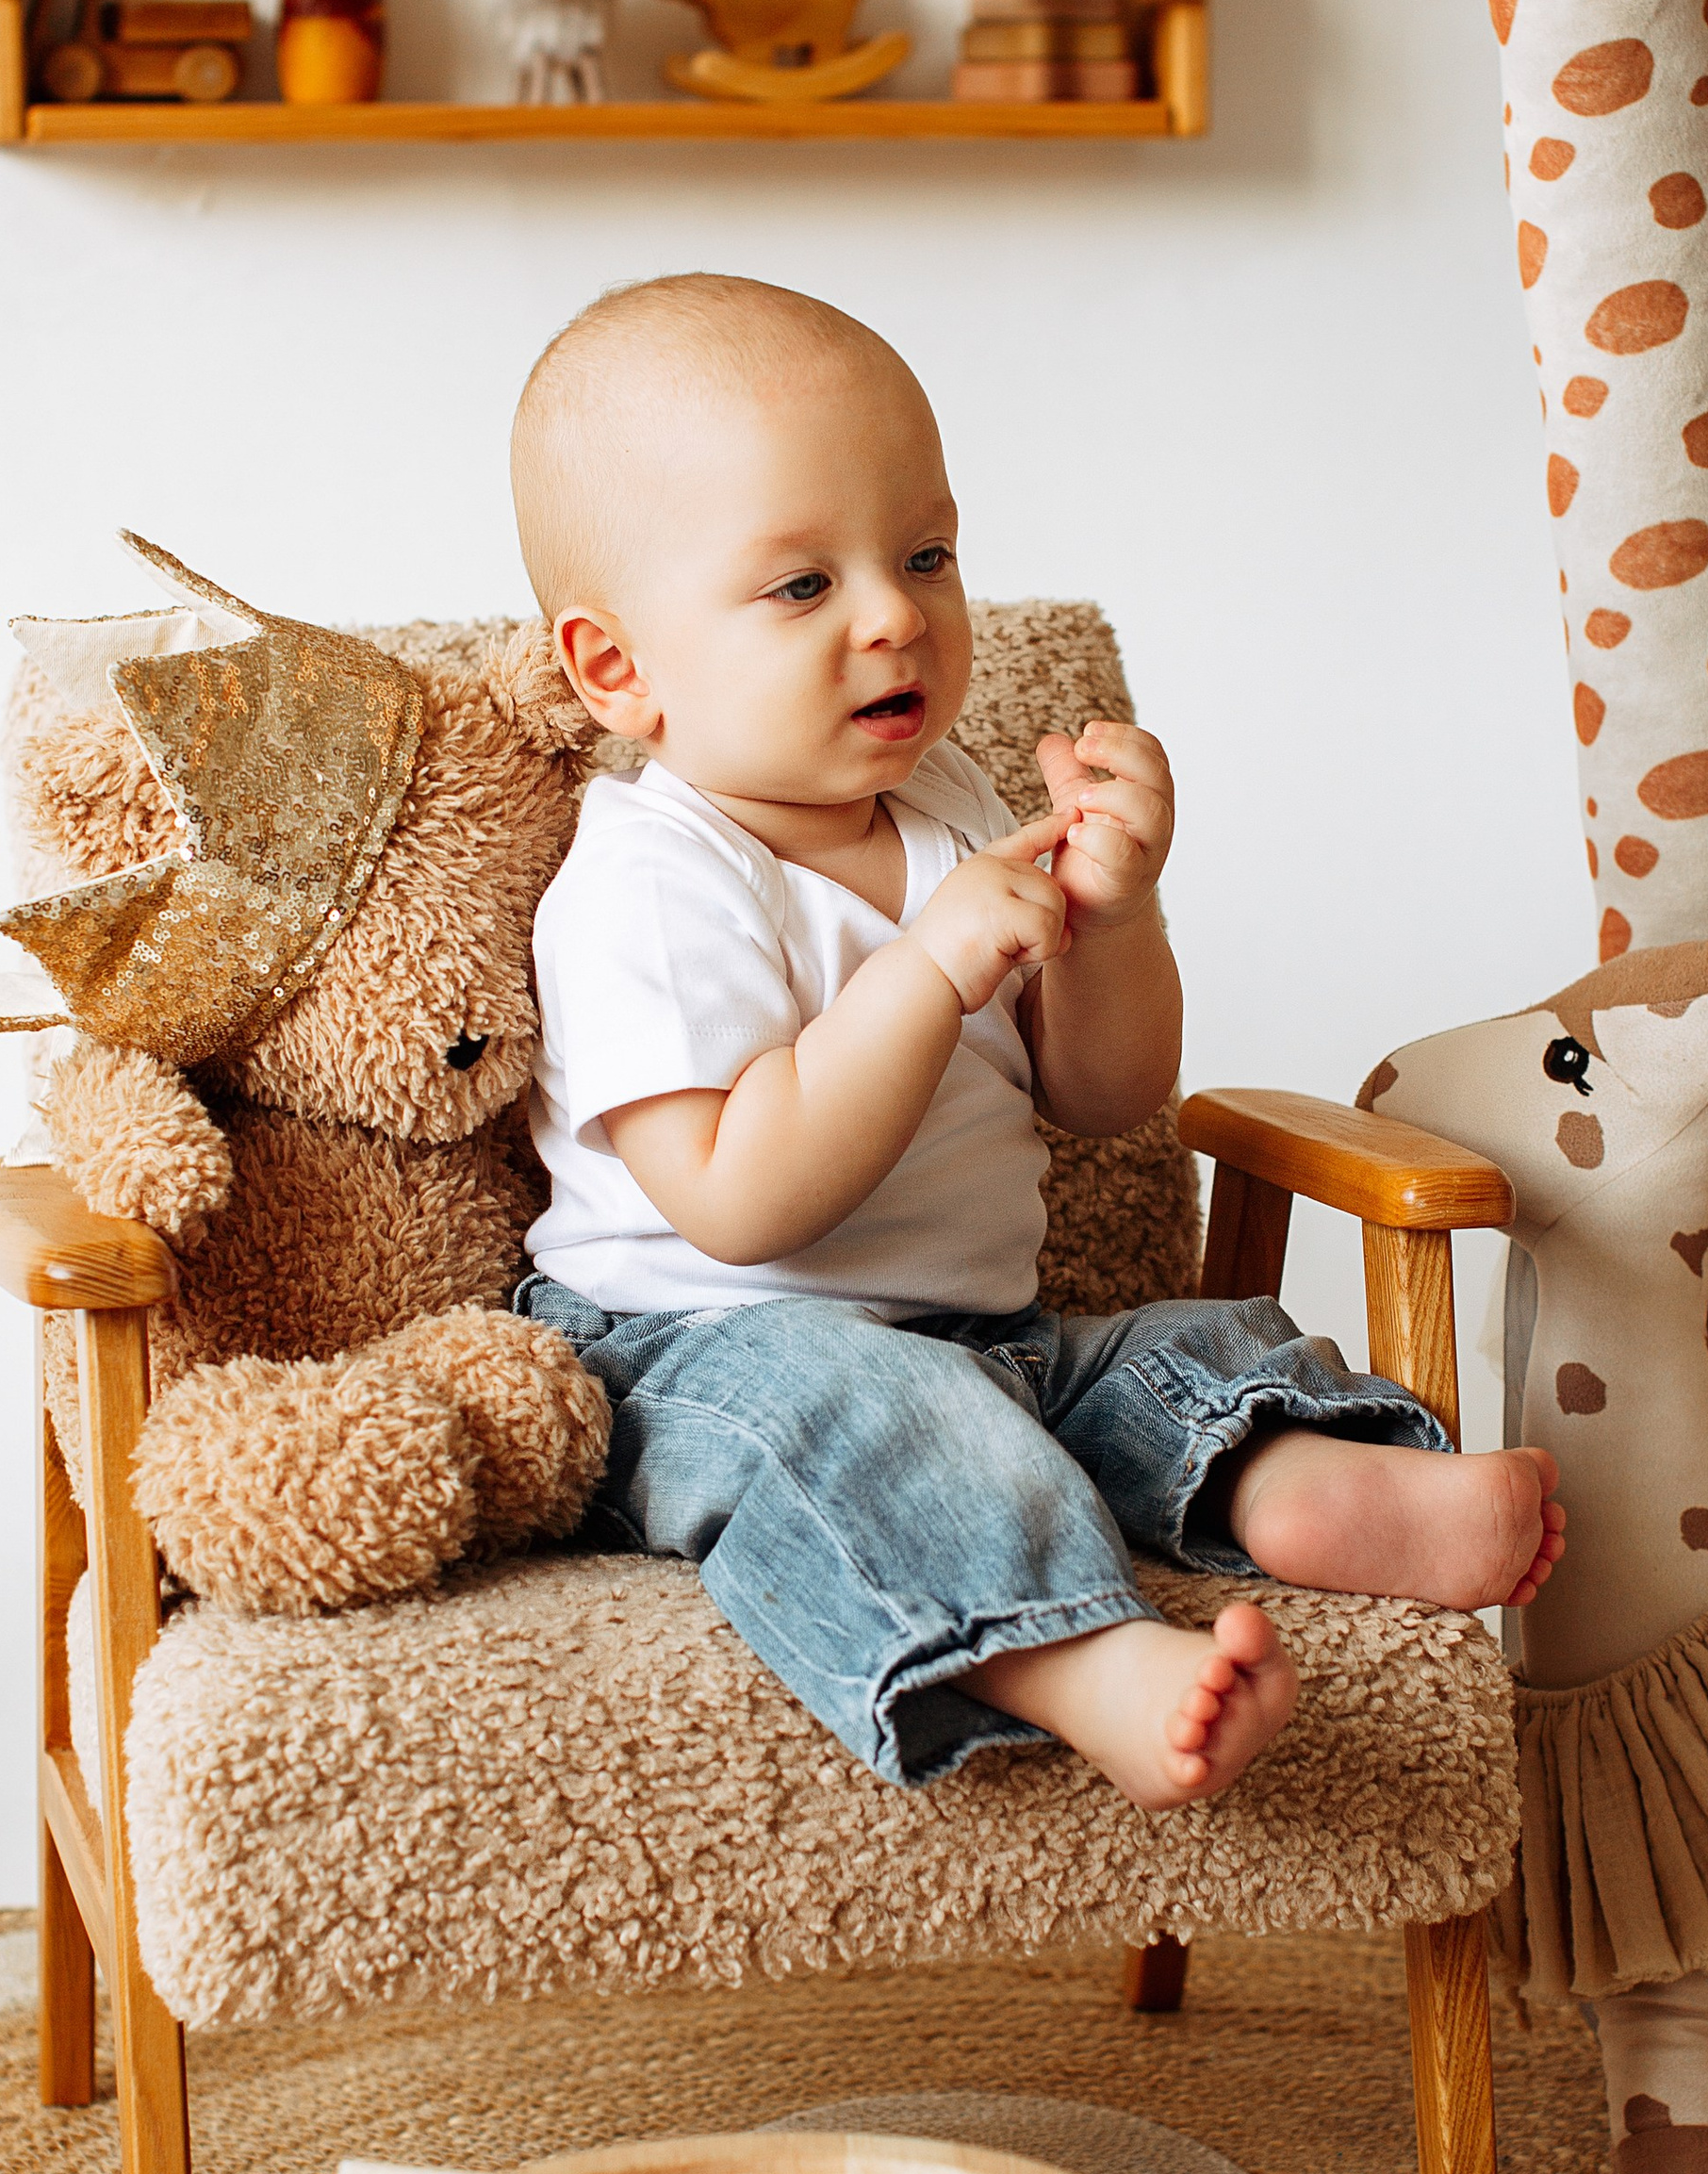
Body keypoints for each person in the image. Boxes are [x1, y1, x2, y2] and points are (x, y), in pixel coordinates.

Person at [510, 272, 1561, 1810]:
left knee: (1170, 1358)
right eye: (801, 587)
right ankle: (1084, 1663)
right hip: (701, 1361)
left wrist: (1115, 918)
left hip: (980, 1335)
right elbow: (740, 1202)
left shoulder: (947, 810)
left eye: (925, 553)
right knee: (883, 1428)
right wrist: (928, 972)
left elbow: (1106, 1093)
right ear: (619, 669)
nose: (894, 614)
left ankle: (1308, 1484)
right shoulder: (651, 882)